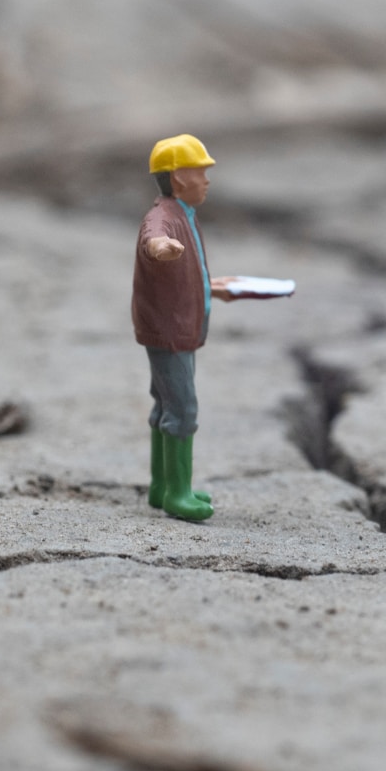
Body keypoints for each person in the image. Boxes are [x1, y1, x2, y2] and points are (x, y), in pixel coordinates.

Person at [132, 134, 236, 522]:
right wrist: (161, 249)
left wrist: (213, 288)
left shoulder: (184, 215)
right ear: (178, 178)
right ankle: (178, 492)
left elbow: (185, 272)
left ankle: (162, 487)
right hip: (170, 331)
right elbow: (152, 240)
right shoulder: (163, 219)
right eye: (200, 172)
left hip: (178, 327)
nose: (207, 180)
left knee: (166, 404)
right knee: (183, 408)